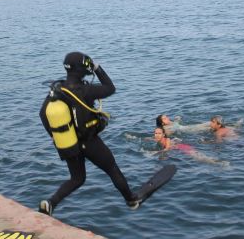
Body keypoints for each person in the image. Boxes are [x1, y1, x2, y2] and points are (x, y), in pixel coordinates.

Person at [39, 52, 140, 216]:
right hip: (89, 142)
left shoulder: (57, 90)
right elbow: (110, 88)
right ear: (81, 69)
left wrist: (58, 136)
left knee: (77, 179)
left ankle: (50, 203)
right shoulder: (86, 90)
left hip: (69, 143)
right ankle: (131, 199)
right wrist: (98, 68)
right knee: (112, 169)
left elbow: (43, 115)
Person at [152, 127, 226, 166]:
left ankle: (219, 163)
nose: (157, 135)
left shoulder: (167, 139)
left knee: (199, 158)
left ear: (163, 134)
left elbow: (167, 148)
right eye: (155, 133)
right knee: (198, 158)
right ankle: (217, 162)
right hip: (179, 148)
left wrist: (155, 153)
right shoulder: (158, 140)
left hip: (183, 147)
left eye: (159, 133)